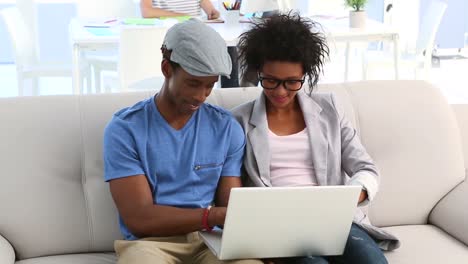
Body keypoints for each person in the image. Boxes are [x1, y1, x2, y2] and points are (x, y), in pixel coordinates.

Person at [232, 13, 400, 264]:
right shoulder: (239, 121)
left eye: (291, 82)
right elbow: (232, 192)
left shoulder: (330, 109)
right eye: (271, 81)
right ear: (259, 72)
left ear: (305, 75)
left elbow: (366, 169)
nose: (280, 91)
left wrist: (345, 199)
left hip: (335, 221)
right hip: (279, 229)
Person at [103, 19, 262, 264]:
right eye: (193, 83)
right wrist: (212, 216)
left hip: (210, 241)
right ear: (167, 68)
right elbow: (140, 219)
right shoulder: (125, 130)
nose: (201, 96)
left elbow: (231, 208)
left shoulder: (226, 128)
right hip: (150, 245)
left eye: (209, 86)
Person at [140, 0, 220, 20]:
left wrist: (213, 12)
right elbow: (146, 12)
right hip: (169, 35)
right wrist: (181, 16)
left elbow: (204, 3)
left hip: (195, 32)